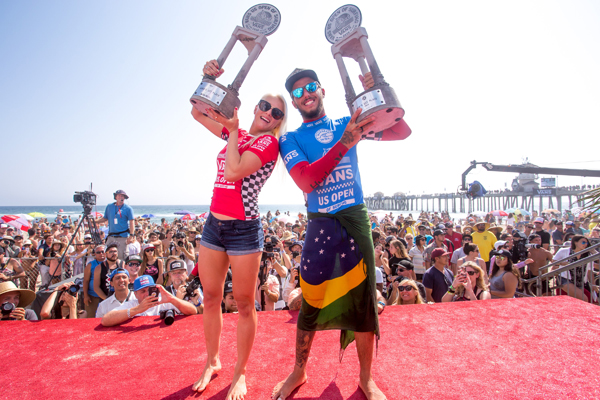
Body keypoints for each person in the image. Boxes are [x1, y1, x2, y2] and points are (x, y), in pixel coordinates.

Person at [273, 67, 411, 400]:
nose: (306, 94)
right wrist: (345, 143)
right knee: (312, 298)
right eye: (297, 92)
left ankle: (366, 378)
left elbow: (401, 130)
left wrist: (378, 92)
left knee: (363, 301)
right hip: (321, 223)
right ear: (294, 101)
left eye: (311, 87)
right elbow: (307, 181)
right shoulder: (289, 139)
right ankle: (299, 370)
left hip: (355, 217)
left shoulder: (346, 123)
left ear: (322, 90)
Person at [190, 59, 288, 400]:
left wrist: (232, 132)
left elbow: (233, 172)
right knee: (212, 298)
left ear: (278, 122)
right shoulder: (240, 132)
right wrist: (208, 80)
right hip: (214, 226)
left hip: (245, 229)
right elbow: (198, 112)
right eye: (265, 106)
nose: (269, 114)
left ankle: (240, 371)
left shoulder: (268, 145)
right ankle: (212, 360)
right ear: (254, 106)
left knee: (245, 303)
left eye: (276, 113)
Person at [101, 275, 197, 326]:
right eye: (143, 291)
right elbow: (105, 320)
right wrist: (137, 310)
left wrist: (172, 299)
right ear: (135, 294)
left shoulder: (163, 301)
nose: (147, 294)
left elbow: (193, 311)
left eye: (150, 290)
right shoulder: (132, 304)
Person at [552, 235, 594, 302]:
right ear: (575, 242)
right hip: (565, 279)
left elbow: (589, 270)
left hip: (579, 281)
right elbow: (553, 261)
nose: (585, 244)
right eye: (583, 242)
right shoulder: (564, 250)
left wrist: (593, 251)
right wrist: (561, 263)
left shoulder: (587, 254)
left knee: (577, 301)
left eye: (587, 243)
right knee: (584, 299)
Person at [95, 190, 135, 260]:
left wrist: (131, 235)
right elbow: (105, 218)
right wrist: (95, 221)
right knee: (107, 255)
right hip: (111, 236)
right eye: (119, 195)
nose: (120, 197)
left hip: (122, 237)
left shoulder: (128, 208)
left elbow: (132, 222)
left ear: (125, 197)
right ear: (115, 197)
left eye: (122, 196)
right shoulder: (109, 206)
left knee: (121, 258)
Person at [83, 245, 106, 318]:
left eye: (103, 252)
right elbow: (86, 281)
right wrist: (86, 296)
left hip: (107, 296)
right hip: (93, 297)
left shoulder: (111, 263)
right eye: (98, 252)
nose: (101, 254)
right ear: (95, 254)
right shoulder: (90, 265)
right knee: (91, 317)